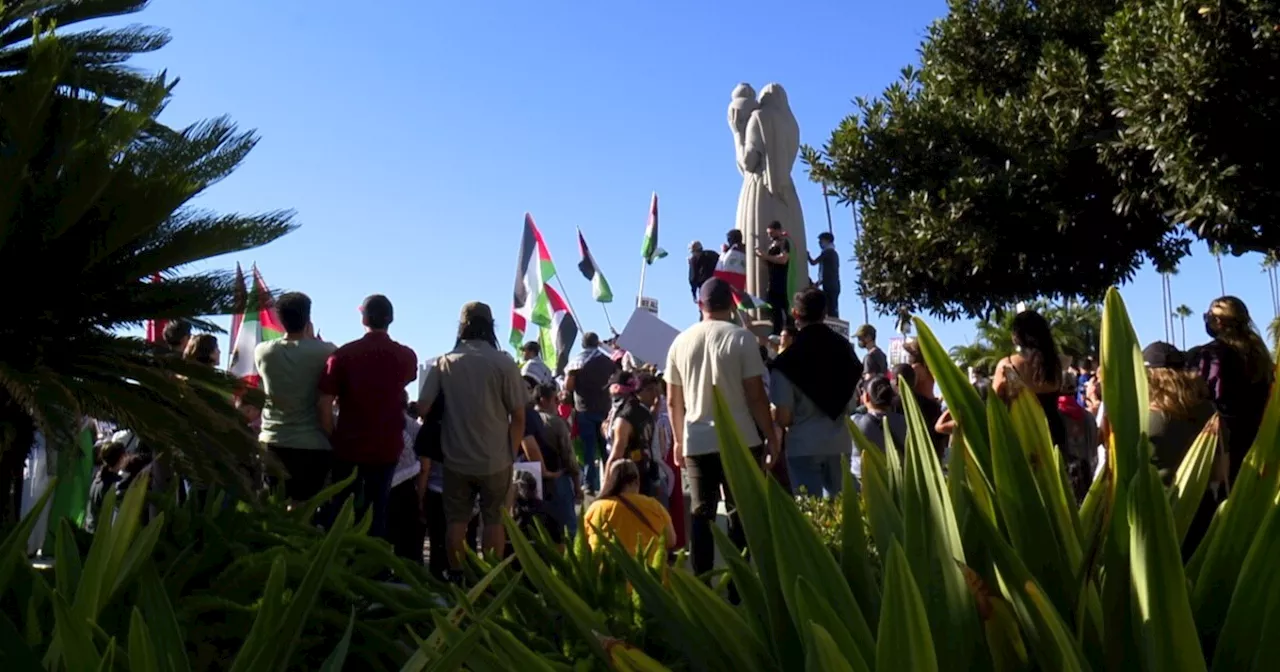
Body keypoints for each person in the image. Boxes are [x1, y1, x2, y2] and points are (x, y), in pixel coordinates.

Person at [666, 278, 775, 576]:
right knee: (742, 512)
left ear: (700, 305)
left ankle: (702, 581)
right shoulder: (742, 339)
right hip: (741, 439)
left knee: (702, 513)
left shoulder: (680, 342)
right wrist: (771, 436)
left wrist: (677, 440)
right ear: (731, 304)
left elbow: (674, 402)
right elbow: (756, 395)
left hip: (696, 440)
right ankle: (740, 584)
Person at [418, 301, 525, 581]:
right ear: (491, 326)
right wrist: (510, 453)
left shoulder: (445, 362)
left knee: (456, 522)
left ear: (461, 326)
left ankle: (456, 576)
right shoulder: (504, 362)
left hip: (455, 457)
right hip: (496, 458)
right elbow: (519, 416)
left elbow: (423, 407)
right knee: (494, 521)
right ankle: (490, 579)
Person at [319, 295, 418, 540]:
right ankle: (374, 566)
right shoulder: (405, 356)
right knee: (378, 509)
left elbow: (323, 402)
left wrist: (333, 435)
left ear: (363, 317)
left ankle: (338, 560)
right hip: (386, 446)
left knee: (342, 507)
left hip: (348, 446)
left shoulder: (342, 355)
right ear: (390, 319)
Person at [770, 288, 860, 498]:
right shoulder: (845, 350)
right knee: (843, 510)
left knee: (810, 512)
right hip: (840, 442)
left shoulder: (787, 361)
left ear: (795, 313)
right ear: (825, 312)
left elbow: (783, 416)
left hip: (803, 444)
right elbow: (852, 401)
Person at [256, 292, 338, 502]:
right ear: (308, 319)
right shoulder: (327, 351)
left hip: (273, 439)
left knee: (275, 509)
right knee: (306, 510)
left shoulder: (263, 352)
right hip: (312, 443)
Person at [1191, 296, 1274, 481]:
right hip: (1258, 436)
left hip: (1224, 443)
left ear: (1218, 321)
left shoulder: (1211, 354)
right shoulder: (1259, 355)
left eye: (1207, 316)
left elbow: (1208, 395)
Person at [992, 310, 1068, 451]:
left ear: (1016, 336)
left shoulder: (1007, 365)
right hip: (1053, 434)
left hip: (1021, 436)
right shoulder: (1054, 365)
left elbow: (993, 405)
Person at [583, 460, 676, 562]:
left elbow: (584, 541)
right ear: (637, 481)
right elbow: (671, 540)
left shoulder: (597, 507)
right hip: (648, 572)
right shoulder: (654, 506)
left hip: (607, 572)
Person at [564, 332, 618, 495]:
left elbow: (568, 386)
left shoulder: (576, 363)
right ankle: (612, 482)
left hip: (584, 410)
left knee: (589, 449)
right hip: (605, 410)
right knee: (606, 448)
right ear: (597, 343)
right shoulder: (608, 362)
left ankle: (589, 484)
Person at [536, 383, 581, 539]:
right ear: (543, 400)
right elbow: (569, 456)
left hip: (530, 480)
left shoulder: (525, 419)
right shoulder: (555, 422)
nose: (558, 403)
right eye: (555, 399)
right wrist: (577, 485)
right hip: (557, 478)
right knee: (569, 530)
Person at [606, 371, 660, 497]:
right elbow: (654, 452)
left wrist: (605, 490)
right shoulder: (646, 413)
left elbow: (615, 456)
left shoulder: (624, 418)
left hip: (626, 482)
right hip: (646, 477)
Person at [387, 396, 426, 563]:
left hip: (385, 481)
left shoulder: (378, 422)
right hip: (409, 483)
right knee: (409, 540)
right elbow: (423, 463)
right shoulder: (415, 427)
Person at [852, 376, 907, 481]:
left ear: (866, 397)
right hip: (896, 480)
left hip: (863, 480)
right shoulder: (904, 422)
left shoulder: (855, 422)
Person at [1057, 371, 1099, 502]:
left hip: (1063, 487)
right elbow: (1093, 451)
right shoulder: (1089, 417)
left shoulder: (1052, 417)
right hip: (1087, 483)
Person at [755, 220, 793, 335]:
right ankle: (778, 332)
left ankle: (785, 332)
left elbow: (783, 259)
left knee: (782, 309)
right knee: (774, 308)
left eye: (771, 233)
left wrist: (765, 256)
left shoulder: (784, 242)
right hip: (772, 281)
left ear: (778, 231)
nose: (769, 235)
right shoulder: (773, 244)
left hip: (782, 282)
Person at [808, 231, 840, 318]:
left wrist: (808, 255)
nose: (820, 244)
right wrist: (818, 283)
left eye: (821, 241)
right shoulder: (834, 253)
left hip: (829, 285)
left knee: (830, 308)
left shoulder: (827, 252)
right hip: (833, 284)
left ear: (827, 241)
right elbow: (828, 273)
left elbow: (813, 262)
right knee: (832, 307)